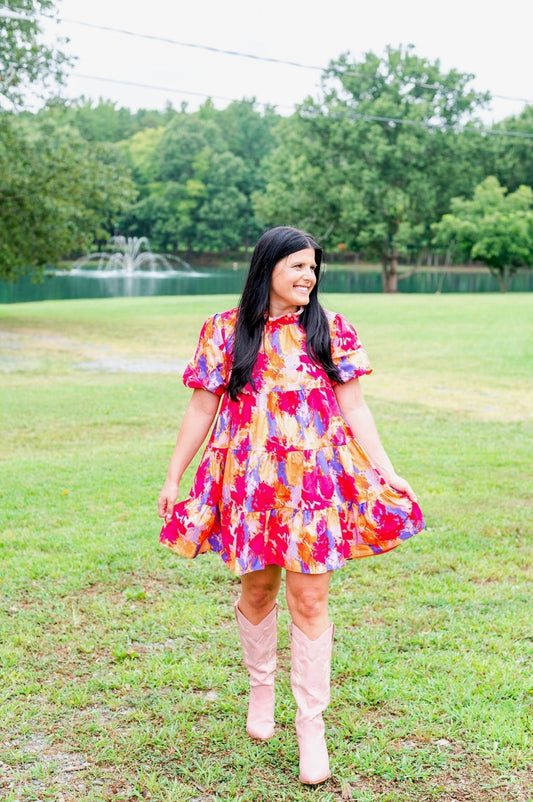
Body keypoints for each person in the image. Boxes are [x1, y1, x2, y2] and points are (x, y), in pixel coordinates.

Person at [158, 226, 424, 785]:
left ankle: (310, 726)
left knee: (310, 600)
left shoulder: (329, 330)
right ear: (267, 268)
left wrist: (388, 470)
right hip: (250, 487)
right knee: (257, 588)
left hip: (315, 489)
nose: (309, 276)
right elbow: (201, 408)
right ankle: (261, 686)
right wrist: (174, 475)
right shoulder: (226, 330)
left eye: (313, 268)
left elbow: (356, 409)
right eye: (298, 266)